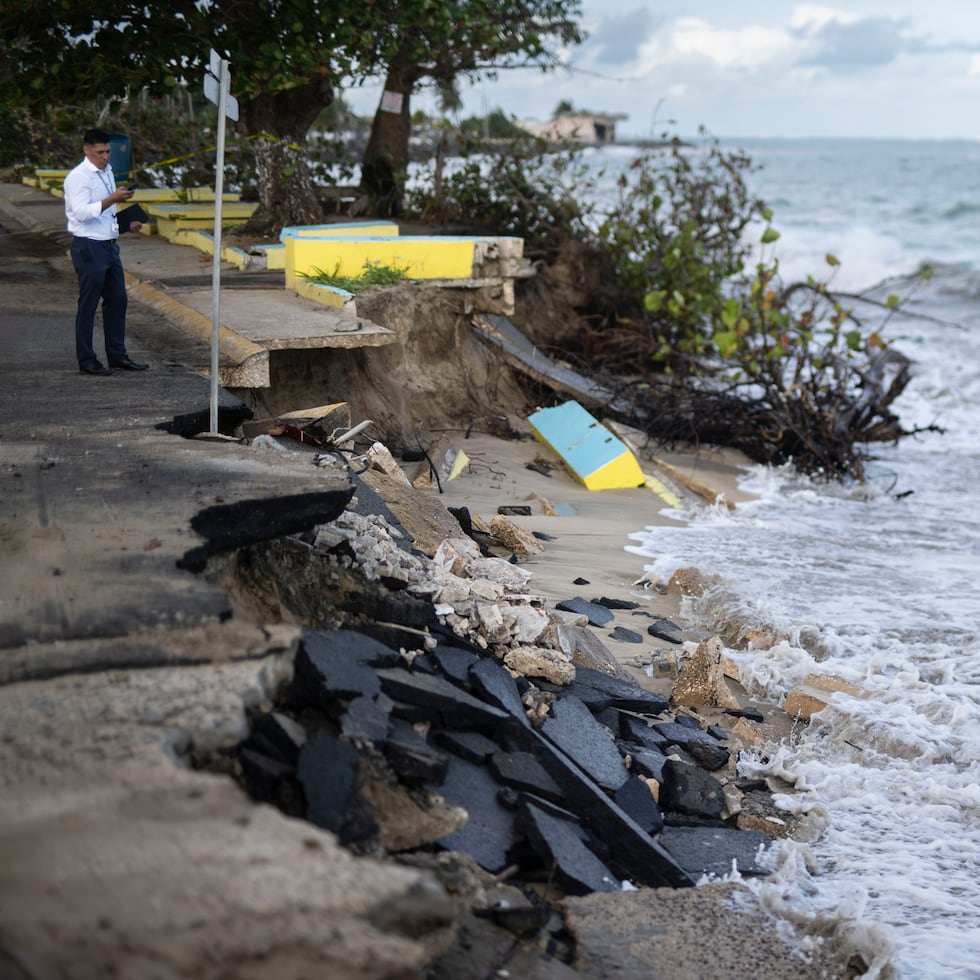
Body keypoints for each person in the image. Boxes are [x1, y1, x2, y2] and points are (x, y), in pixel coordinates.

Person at [63, 128, 149, 375]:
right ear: (86, 150)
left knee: (118, 300)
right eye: (100, 152)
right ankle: (87, 360)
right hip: (88, 246)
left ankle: (117, 355)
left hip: (109, 244)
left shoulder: (108, 171)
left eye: (108, 151)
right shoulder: (79, 177)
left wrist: (126, 224)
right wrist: (112, 198)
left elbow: (104, 215)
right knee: (88, 304)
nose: (105, 156)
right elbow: (80, 213)